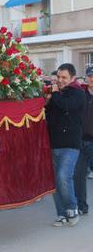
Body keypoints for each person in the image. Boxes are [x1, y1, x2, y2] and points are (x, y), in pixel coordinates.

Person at [45, 63, 86, 227]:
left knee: (63, 176)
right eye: (58, 77)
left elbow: (65, 105)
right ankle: (61, 214)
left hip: (71, 144)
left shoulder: (78, 94)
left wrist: (54, 93)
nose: (60, 80)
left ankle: (72, 207)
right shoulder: (56, 95)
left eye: (64, 78)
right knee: (55, 181)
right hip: (54, 144)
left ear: (72, 78)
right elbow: (48, 114)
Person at [74, 66, 93, 215]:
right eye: (90, 75)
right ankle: (81, 205)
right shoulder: (80, 94)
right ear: (86, 77)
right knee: (79, 175)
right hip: (83, 140)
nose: (92, 78)